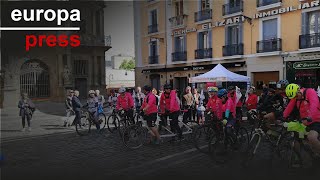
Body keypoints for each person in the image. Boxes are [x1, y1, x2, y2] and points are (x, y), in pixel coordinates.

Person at [283, 83, 320, 154]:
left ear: (299, 90)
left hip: (316, 120)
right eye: (294, 97)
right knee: (295, 136)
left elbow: (314, 105)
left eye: (296, 96)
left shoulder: (310, 92)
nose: (296, 98)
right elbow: (289, 106)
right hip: (304, 121)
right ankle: (298, 159)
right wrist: (283, 116)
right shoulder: (296, 96)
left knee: (311, 137)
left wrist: (310, 117)